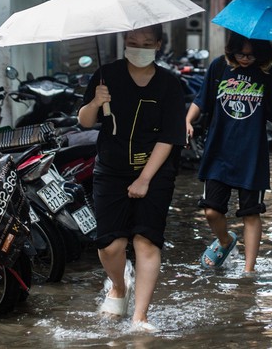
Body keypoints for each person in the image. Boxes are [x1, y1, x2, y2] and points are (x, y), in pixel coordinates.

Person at [78, 24, 185, 333]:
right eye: (132, 41)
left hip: (155, 169)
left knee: (146, 241)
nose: (139, 47)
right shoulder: (106, 75)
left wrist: (145, 179)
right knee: (110, 245)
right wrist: (96, 102)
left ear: (159, 45)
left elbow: (170, 136)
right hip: (111, 169)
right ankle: (118, 287)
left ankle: (140, 316)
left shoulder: (169, 84)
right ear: (123, 42)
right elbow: (84, 121)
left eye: (146, 42)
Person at [185, 32, 272, 273]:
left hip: (252, 154)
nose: (245, 59)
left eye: (251, 55)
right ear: (231, 50)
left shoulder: (268, 74)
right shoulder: (218, 67)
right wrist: (188, 120)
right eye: (240, 54)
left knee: (251, 213)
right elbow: (201, 100)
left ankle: (249, 270)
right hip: (218, 150)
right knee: (212, 210)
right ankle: (225, 240)